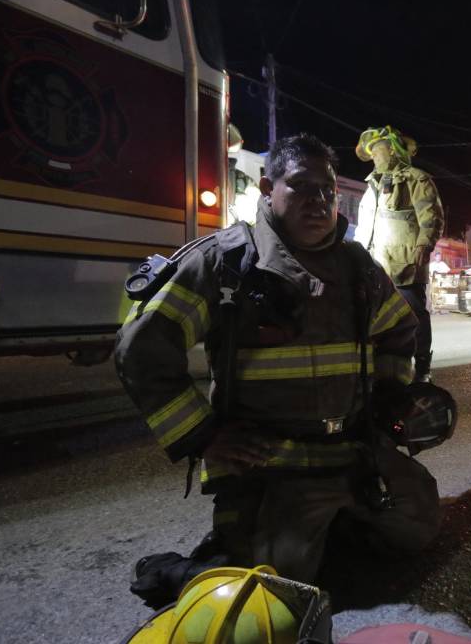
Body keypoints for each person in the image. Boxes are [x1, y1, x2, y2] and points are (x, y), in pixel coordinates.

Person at [115, 133, 441, 589]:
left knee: (419, 528)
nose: (319, 201)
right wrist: (203, 434)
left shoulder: (358, 267)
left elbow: (398, 332)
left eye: (327, 191)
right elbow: (140, 348)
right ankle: (194, 570)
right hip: (269, 465)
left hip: (351, 452)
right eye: (302, 187)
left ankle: (327, 525)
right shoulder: (225, 262)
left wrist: (388, 401)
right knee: (278, 583)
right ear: (268, 188)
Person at [353, 125, 445, 383]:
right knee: (378, 322)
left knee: (414, 316)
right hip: (375, 268)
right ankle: (386, 370)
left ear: (392, 150)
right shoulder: (371, 186)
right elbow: (364, 228)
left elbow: (432, 218)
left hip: (405, 268)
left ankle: (423, 369)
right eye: (370, 152)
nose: (373, 156)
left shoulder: (416, 179)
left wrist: (423, 247)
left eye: (377, 150)